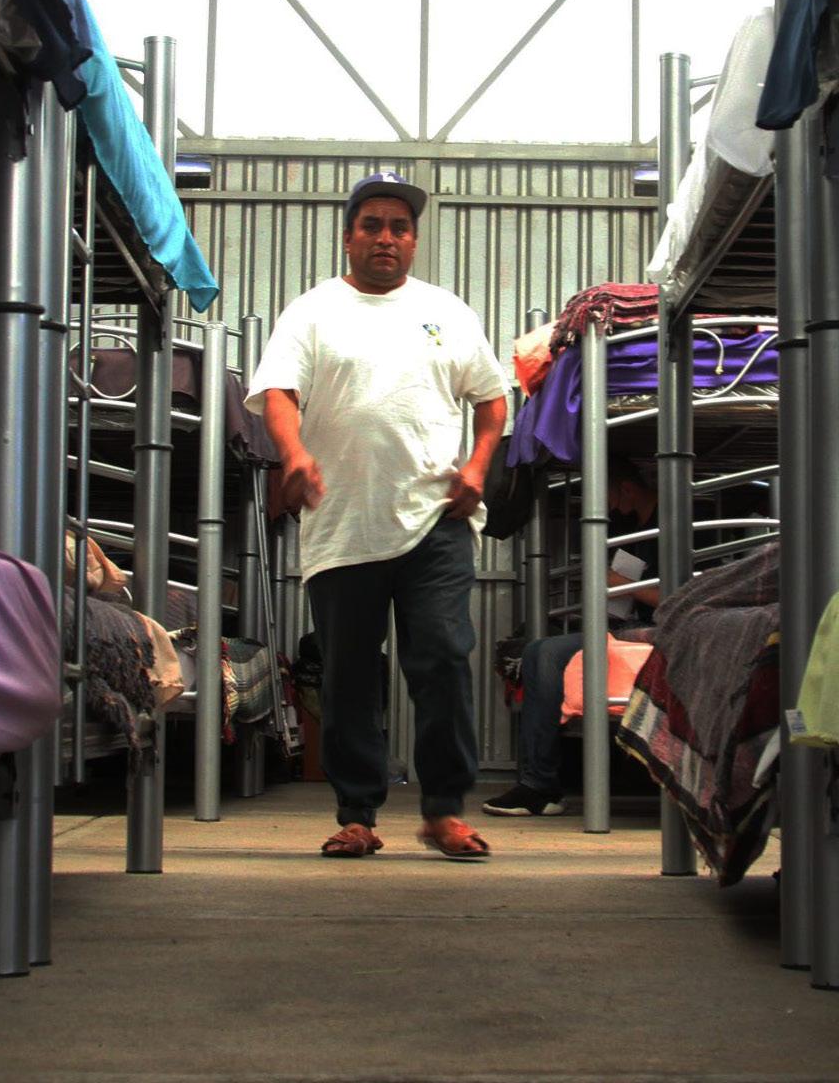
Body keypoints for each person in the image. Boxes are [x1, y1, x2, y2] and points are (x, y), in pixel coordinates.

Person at [246, 171, 510, 861]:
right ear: (349, 238)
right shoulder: (312, 311)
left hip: (436, 517)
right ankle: (357, 813)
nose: (386, 237)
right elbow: (278, 392)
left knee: (443, 659)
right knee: (349, 675)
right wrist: (293, 453)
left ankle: (443, 812)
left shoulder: (448, 311)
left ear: (414, 241)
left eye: (399, 227)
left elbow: (491, 399)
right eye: (372, 225)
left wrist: (478, 467)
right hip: (342, 521)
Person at [483, 459, 659, 818]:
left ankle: (540, 785)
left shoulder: (676, 528)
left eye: (608, 496)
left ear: (627, 489)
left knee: (546, 653)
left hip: (654, 631)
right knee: (536, 650)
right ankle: (538, 782)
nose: (607, 506)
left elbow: (683, 598)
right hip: (629, 629)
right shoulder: (637, 527)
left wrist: (622, 585)